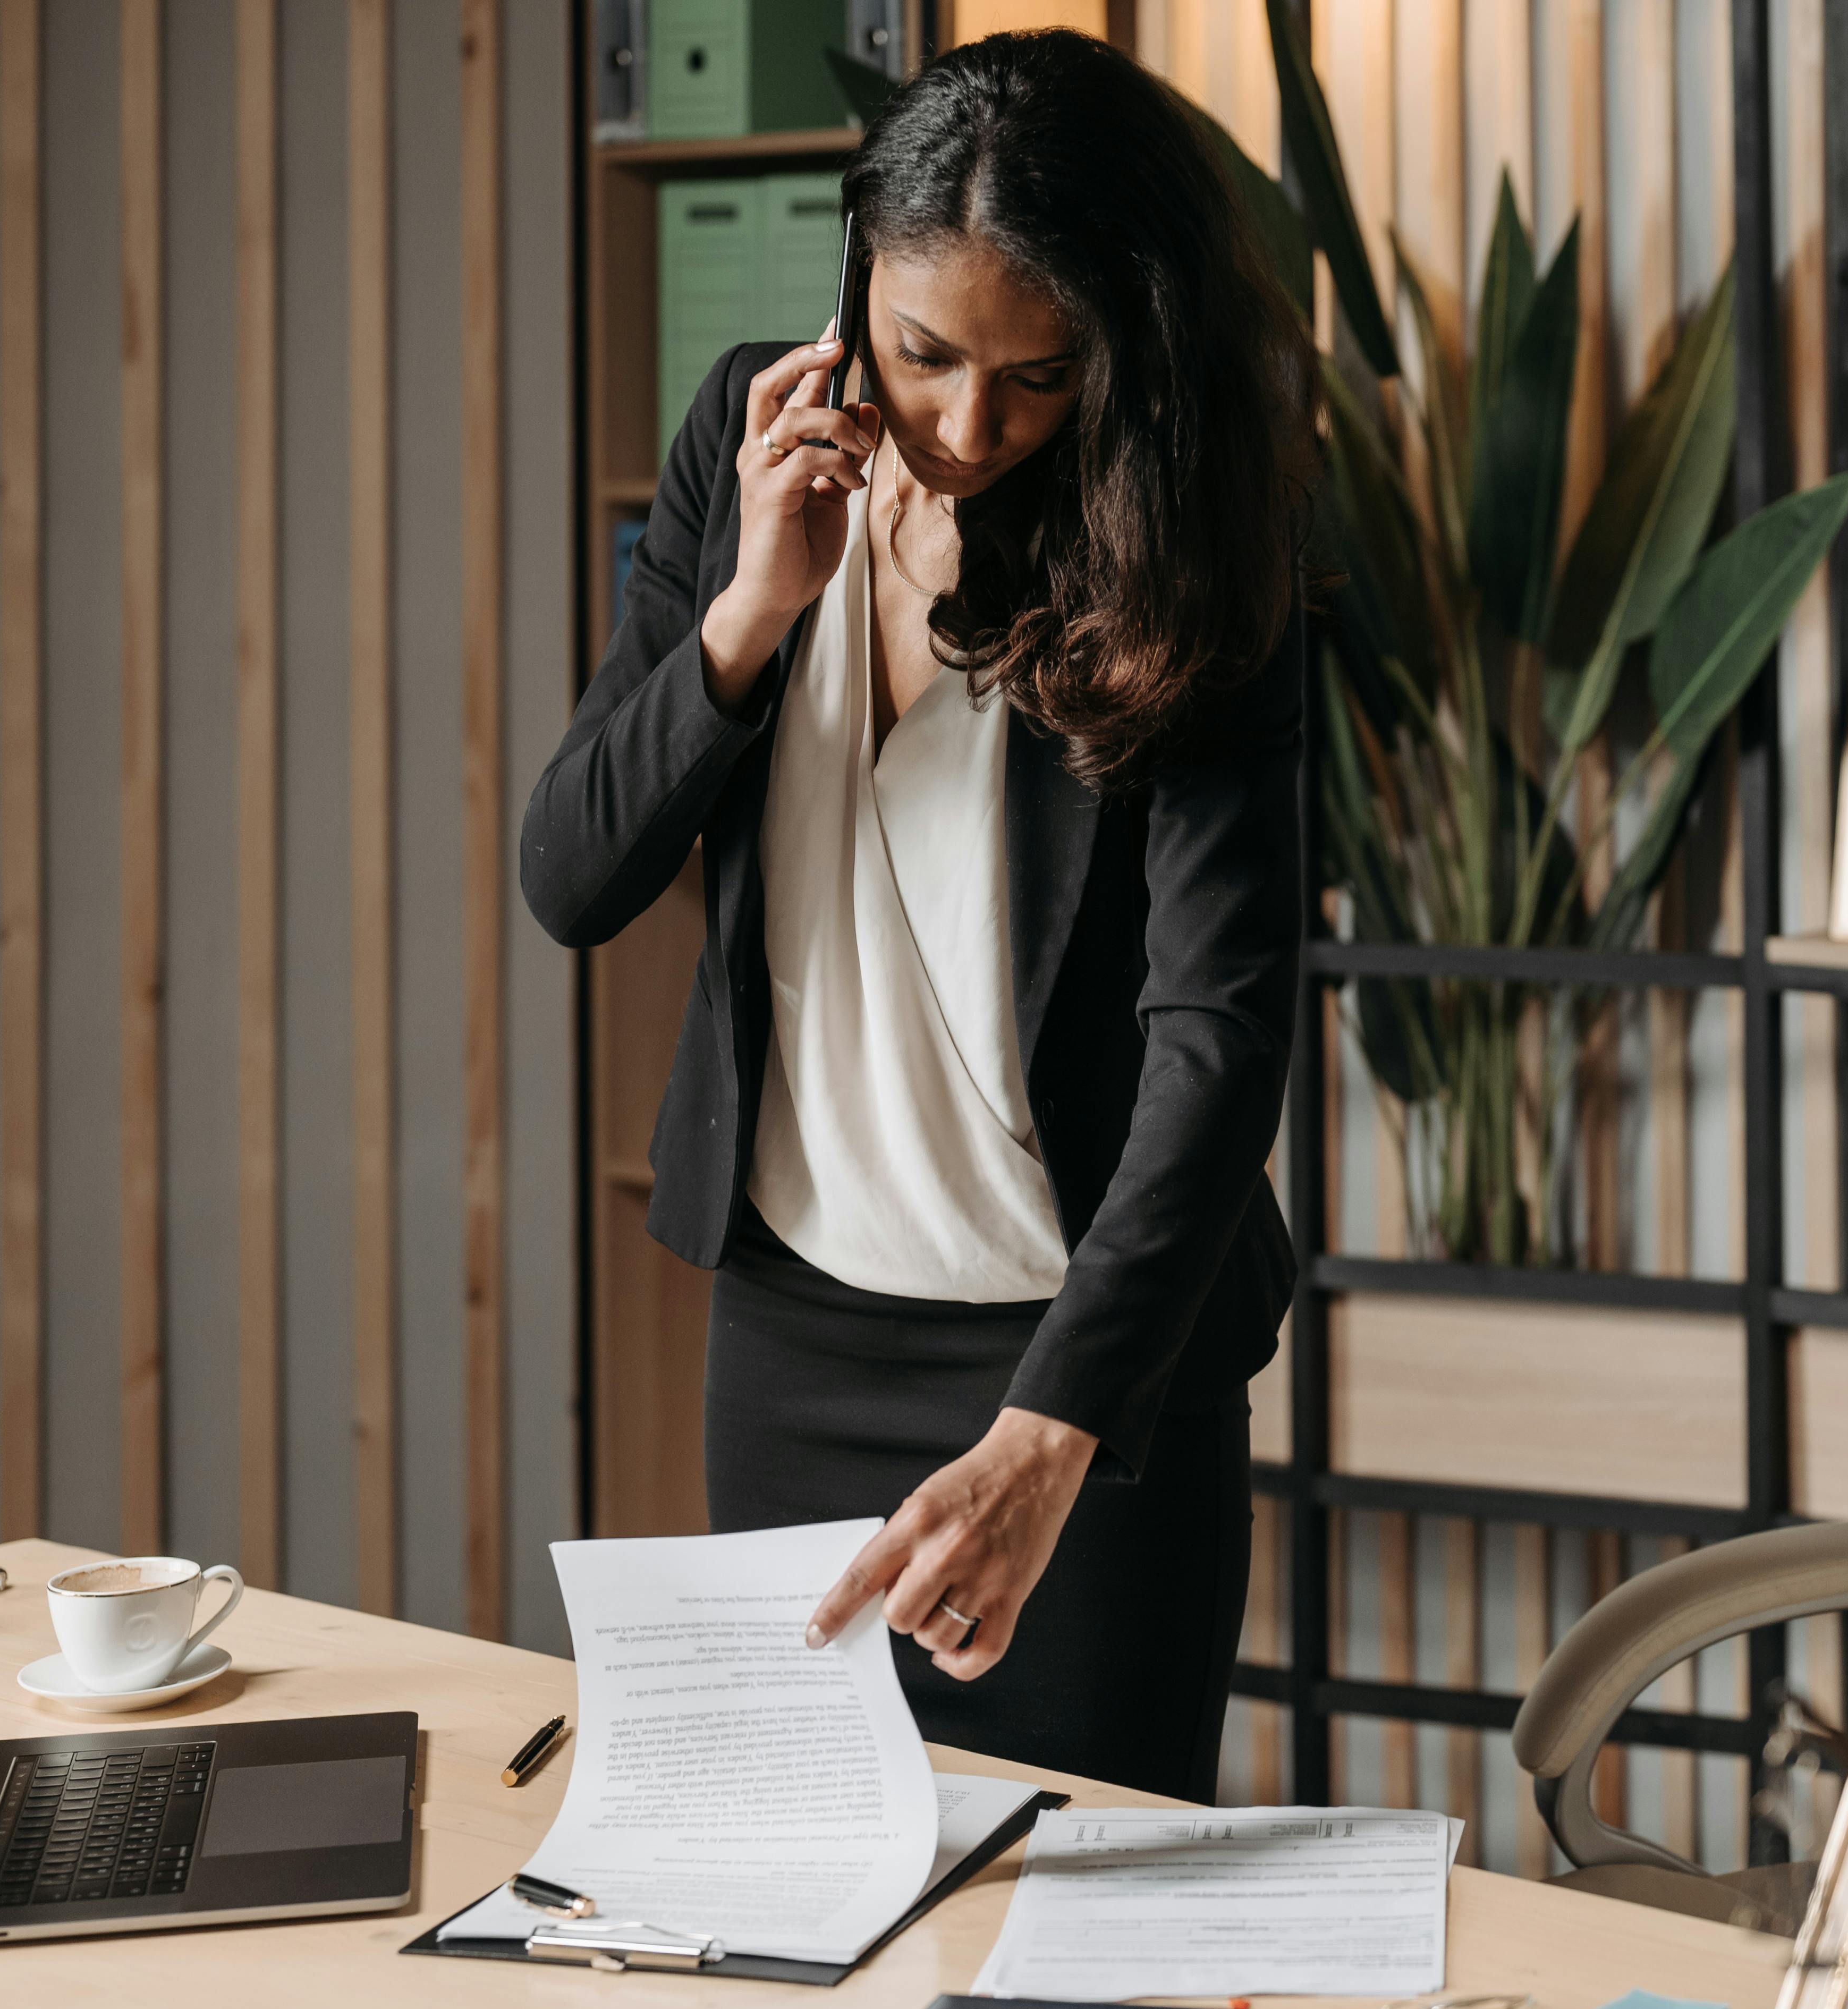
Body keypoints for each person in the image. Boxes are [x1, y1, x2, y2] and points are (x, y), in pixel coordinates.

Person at [520, 30, 1311, 1802]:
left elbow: (1221, 1043)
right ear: (858, 280)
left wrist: (1053, 1438)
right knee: (800, 1911)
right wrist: (748, 613)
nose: (969, 427)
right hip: (794, 1347)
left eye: (1042, 375)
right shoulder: (749, 439)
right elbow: (574, 874)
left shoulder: (1186, 546)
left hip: (1082, 1376)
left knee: (1079, 1934)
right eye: (929, 353)